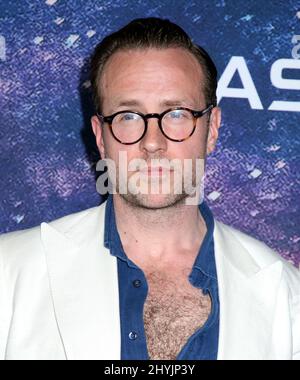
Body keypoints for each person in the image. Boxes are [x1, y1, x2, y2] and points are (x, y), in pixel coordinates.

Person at [0, 17, 299, 361]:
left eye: (175, 113)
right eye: (128, 116)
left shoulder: (288, 300)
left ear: (212, 129)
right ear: (100, 136)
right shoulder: (8, 275)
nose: (152, 142)